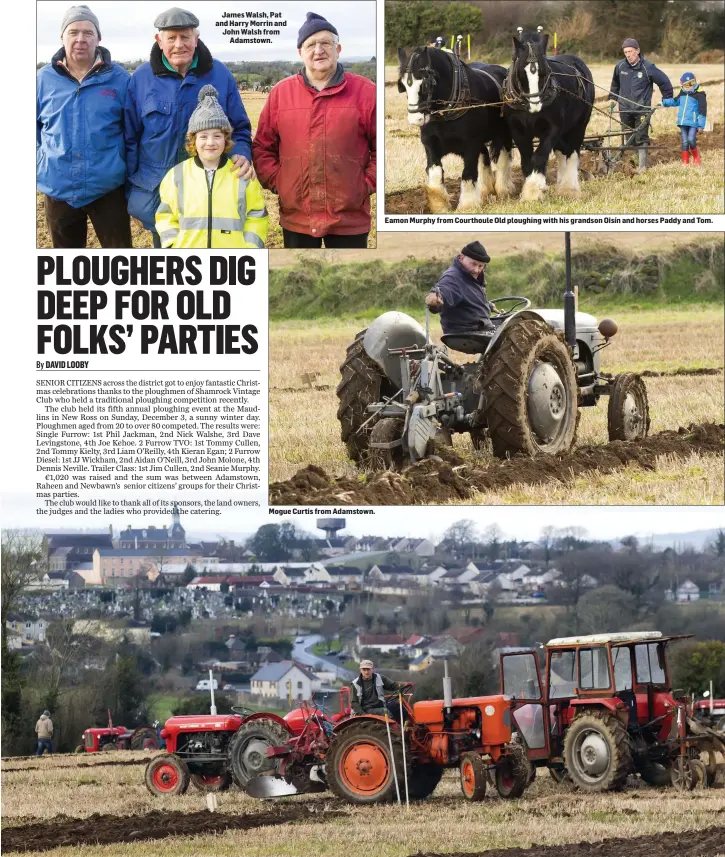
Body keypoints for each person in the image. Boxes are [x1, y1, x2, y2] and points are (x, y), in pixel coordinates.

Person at [125, 7, 254, 247]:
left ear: (196, 39)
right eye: (171, 38)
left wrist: (242, 153)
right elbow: (130, 139)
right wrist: (132, 194)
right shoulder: (141, 79)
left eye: (185, 37)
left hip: (212, 191)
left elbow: (241, 128)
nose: (178, 44)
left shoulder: (220, 74)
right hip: (157, 193)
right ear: (159, 40)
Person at [253, 12, 376, 249]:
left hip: (349, 218)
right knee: (301, 281)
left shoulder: (365, 91)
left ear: (338, 48)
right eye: (310, 44)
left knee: (348, 282)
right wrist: (281, 182)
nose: (318, 50)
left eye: (325, 43)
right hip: (297, 217)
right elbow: (262, 147)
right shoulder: (281, 93)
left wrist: (364, 185)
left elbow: (380, 148)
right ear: (301, 53)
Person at [37, 5, 131, 248]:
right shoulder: (42, 80)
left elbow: (132, 130)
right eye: (73, 32)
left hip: (107, 188)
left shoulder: (119, 79)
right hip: (58, 188)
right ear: (62, 37)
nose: (81, 39)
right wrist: (41, 161)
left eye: (88, 32)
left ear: (98, 38)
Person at [156, 86, 268, 248]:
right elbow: (165, 215)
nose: (210, 142)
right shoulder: (176, 175)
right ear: (193, 140)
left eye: (217, 136)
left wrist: (250, 248)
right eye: (203, 136)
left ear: (226, 139)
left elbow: (256, 214)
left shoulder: (241, 175)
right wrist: (172, 245)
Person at [610, 38, 672, 171]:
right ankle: (633, 160)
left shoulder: (647, 67)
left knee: (641, 135)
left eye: (630, 51)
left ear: (637, 51)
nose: (628, 55)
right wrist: (613, 98)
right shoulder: (620, 66)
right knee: (628, 134)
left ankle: (643, 166)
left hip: (641, 109)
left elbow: (664, 82)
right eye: (625, 52)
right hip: (625, 108)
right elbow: (615, 83)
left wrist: (667, 98)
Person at [425, 242, 496, 336]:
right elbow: (444, 290)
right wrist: (435, 299)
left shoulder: (470, 276)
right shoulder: (453, 278)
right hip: (466, 331)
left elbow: (469, 298)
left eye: (480, 266)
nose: (476, 270)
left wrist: (487, 306)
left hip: (479, 325)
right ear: (462, 258)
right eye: (473, 264)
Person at [661, 72, 708, 167]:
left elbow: (703, 110)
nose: (689, 87)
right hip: (683, 122)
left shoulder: (699, 94)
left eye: (691, 83)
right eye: (686, 85)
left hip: (693, 123)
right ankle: (685, 162)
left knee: (691, 140)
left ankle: (696, 157)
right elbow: (675, 101)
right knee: (685, 142)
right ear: (682, 84)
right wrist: (663, 102)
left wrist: (701, 125)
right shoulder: (682, 92)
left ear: (694, 82)